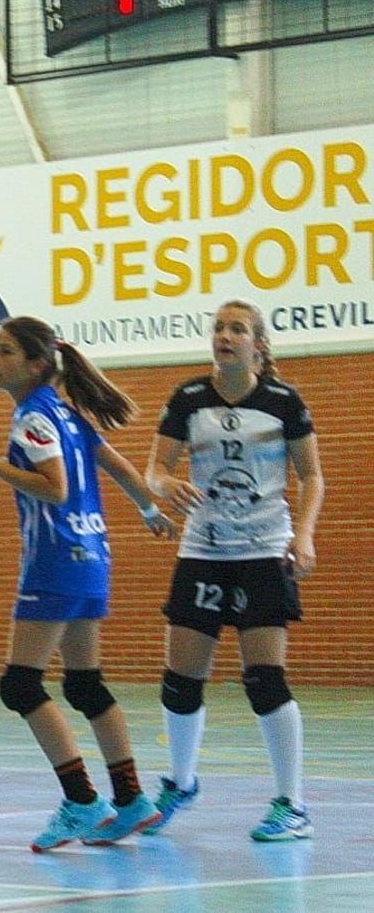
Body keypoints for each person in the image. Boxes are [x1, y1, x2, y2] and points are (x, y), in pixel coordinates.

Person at [0, 315, 174, 852]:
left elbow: (54, 489)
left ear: (36, 364)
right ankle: (131, 800)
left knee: (21, 684)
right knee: (84, 684)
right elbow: (122, 467)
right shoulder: (69, 415)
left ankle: (81, 800)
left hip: (55, 561)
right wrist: (148, 510)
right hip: (93, 556)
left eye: (6, 351)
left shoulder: (33, 417)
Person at [142, 299, 324, 843]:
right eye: (218, 326)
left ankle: (292, 804)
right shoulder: (188, 398)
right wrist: (163, 483)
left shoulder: (283, 402)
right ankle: (180, 782)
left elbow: (312, 476)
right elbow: (155, 468)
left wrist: (305, 533)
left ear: (258, 347)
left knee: (264, 680)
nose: (224, 335)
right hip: (203, 549)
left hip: (264, 551)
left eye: (237, 329)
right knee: (180, 682)